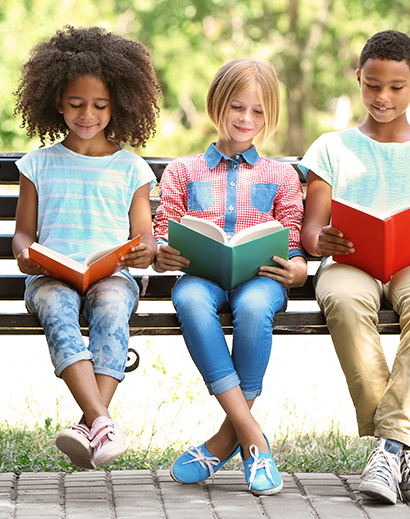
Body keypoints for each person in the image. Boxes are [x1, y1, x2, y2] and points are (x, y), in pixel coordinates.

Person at [299, 30, 410, 504]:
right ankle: (401, 451)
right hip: (352, 261)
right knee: (344, 300)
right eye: (373, 85)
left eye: (396, 87)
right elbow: (311, 232)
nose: (383, 97)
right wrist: (322, 240)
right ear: (358, 79)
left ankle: (388, 446)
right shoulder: (331, 148)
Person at [153, 59, 306, 495]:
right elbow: (167, 227)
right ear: (216, 105)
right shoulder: (183, 170)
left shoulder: (280, 174)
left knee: (256, 306)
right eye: (237, 107)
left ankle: (225, 439)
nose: (245, 119)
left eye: (258, 112)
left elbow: (292, 236)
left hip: (261, 277)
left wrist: (296, 268)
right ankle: (252, 438)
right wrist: (163, 253)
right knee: (189, 301)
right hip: (201, 275)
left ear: (270, 115)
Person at [11, 26, 160, 469]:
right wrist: (25, 253)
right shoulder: (37, 164)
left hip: (111, 276)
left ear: (119, 105)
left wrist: (143, 252)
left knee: (113, 307)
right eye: (76, 104)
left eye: (99, 105)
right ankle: (102, 420)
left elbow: (145, 237)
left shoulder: (132, 168)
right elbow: (23, 233)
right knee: (57, 309)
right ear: (58, 103)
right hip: (50, 277)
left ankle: (87, 424)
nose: (87, 114)